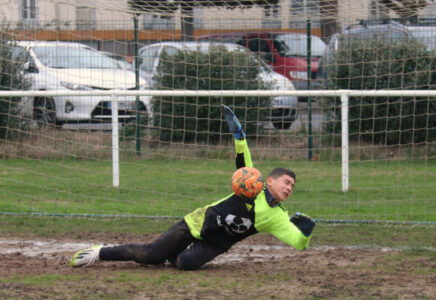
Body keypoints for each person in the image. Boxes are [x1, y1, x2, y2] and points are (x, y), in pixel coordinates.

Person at [70, 105, 315, 271]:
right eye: (287, 182)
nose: (290, 188)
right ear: (269, 180)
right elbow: (243, 160)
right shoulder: (252, 183)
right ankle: (100, 253)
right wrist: (239, 135)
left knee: (183, 264)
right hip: (198, 223)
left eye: (293, 186)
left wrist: (305, 233)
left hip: (215, 244)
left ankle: (174, 253)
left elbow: (297, 243)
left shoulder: (277, 216)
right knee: (151, 256)